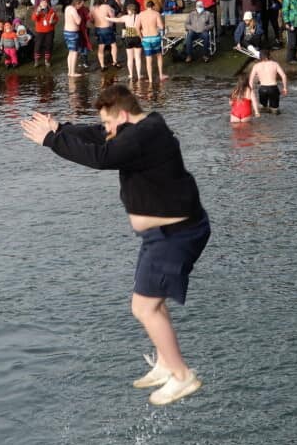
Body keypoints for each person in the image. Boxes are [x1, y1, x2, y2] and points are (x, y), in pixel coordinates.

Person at [20, 84, 210, 406]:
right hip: (160, 236)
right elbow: (98, 135)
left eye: (109, 123)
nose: (106, 129)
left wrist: (52, 141)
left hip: (175, 234)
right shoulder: (140, 127)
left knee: (144, 307)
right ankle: (166, 362)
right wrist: (62, 129)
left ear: (122, 115)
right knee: (149, 305)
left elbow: (101, 156)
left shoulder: (142, 136)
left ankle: (181, 375)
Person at [108, 3, 143, 80]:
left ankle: (130, 74)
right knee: (138, 58)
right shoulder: (139, 16)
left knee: (129, 58)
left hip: (128, 37)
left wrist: (107, 18)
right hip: (137, 37)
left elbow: (116, 20)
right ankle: (139, 74)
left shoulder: (125, 17)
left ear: (128, 10)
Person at [138, 0, 166, 81]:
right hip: (155, 37)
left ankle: (150, 79)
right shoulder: (156, 14)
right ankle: (161, 75)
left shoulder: (141, 14)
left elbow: (136, 27)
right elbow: (161, 27)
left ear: (146, 6)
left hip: (146, 38)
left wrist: (141, 37)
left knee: (148, 59)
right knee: (159, 56)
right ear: (153, 6)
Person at [91, 0, 118, 70]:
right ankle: (115, 62)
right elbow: (112, 18)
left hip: (98, 29)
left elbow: (90, 19)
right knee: (113, 45)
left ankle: (102, 65)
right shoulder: (106, 6)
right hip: (107, 28)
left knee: (101, 47)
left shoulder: (92, 8)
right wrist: (111, 24)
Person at [63, 0, 87, 77]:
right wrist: (81, 16)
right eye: (81, 5)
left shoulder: (67, 8)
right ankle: (72, 72)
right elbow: (78, 21)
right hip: (73, 33)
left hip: (66, 32)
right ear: (77, 3)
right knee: (74, 52)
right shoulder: (73, 10)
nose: (81, 7)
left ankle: (69, 71)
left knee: (70, 52)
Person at [31, 0, 58, 68]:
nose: (44, 3)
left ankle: (47, 60)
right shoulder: (37, 10)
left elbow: (56, 19)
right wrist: (37, 12)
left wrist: (53, 22)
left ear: (47, 3)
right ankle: (36, 61)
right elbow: (34, 19)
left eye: (45, 2)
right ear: (40, 3)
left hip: (50, 31)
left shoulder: (51, 11)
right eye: (42, 2)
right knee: (38, 46)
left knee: (49, 45)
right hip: (39, 32)